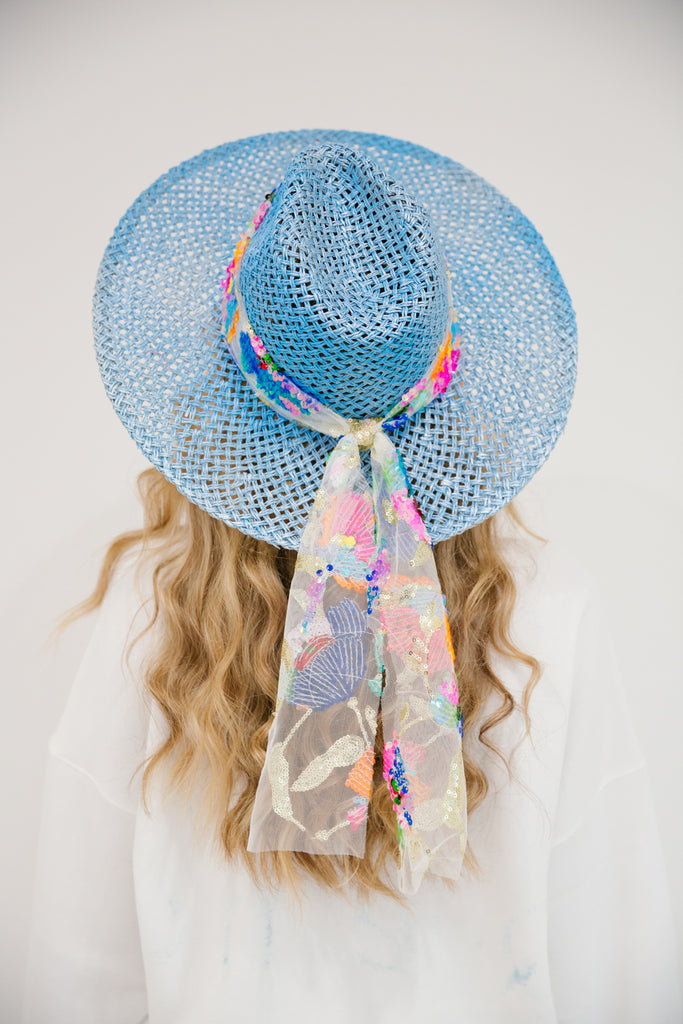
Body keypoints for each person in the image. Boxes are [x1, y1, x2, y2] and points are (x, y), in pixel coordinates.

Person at [23, 132, 680, 1022]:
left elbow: (80, 971)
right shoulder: (547, 611)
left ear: (227, 385)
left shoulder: (153, 608)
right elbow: (612, 955)